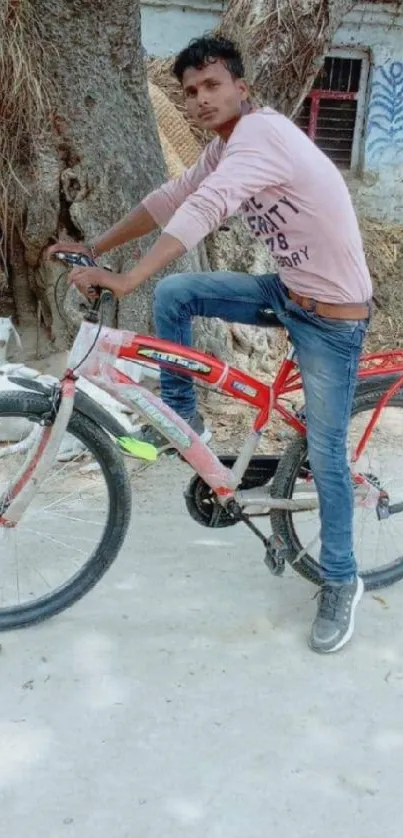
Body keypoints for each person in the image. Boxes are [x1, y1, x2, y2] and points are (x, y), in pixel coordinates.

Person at [47, 35, 372, 654]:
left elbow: (207, 208)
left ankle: (340, 579)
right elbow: (168, 200)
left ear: (241, 88)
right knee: (179, 295)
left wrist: (128, 276)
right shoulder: (222, 146)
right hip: (287, 290)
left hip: (333, 316)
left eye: (212, 85)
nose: (200, 99)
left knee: (327, 455)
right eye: (190, 91)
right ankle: (181, 419)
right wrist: (97, 248)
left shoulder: (261, 135)